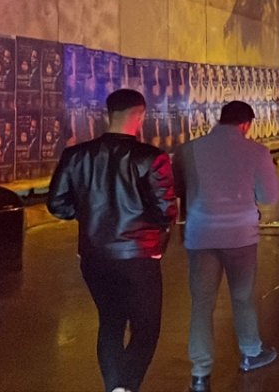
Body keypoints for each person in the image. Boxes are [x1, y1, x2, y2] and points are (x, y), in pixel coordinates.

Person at [47, 89, 177, 392]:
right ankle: (125, 387)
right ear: (141, 115)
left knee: (110, 321)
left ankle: (115, 387)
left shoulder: (76, 155)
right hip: (139, 255)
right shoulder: (151, 158)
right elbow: (165, 211)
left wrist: (90, 217)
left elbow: (57, 204)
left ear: (108, 114)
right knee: (146, 328)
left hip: (94, 256)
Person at [174, 101, 279, 392]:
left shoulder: (188, 150)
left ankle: (200, 373)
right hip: (240, 237)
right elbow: (269, 196)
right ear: (246, 124)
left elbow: (178, 190)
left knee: (202, 304)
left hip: (200, 235)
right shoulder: (257, 152)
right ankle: (250, 352)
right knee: (242, 296)